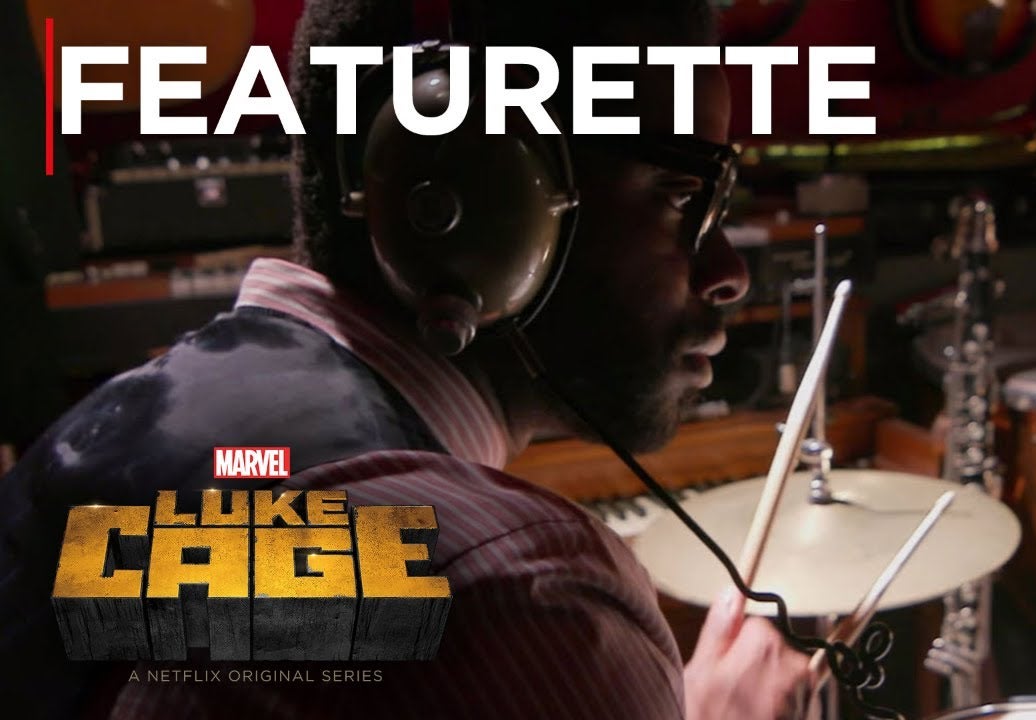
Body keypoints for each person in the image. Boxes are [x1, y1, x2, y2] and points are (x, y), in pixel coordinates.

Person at [0, 0, 813, 717]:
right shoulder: (513, 597)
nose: (729, 272)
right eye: (681, 195)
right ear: (472, 196)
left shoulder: (109, 434)